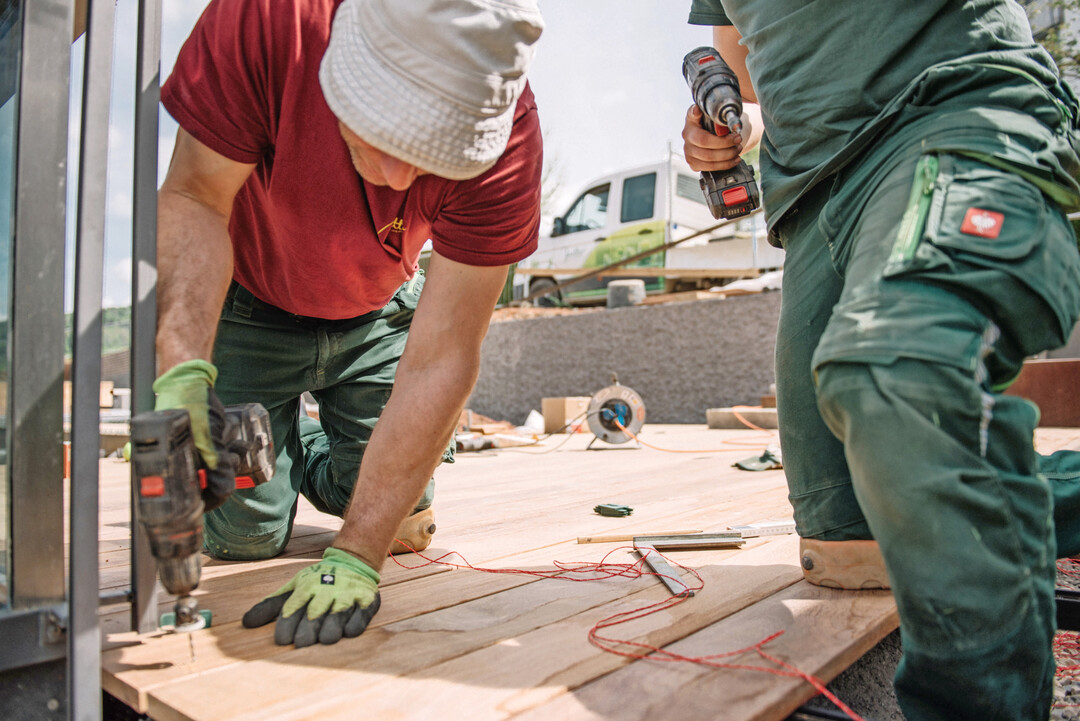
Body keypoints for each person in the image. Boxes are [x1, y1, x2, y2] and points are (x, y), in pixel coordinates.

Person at [682, 2, 1080, 718]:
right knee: (846, 536)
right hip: (813, 196)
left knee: (895, 374)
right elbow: (739, 68)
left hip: (951, 111)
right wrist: (721, 134)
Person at [151, 0, 544, 648]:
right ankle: (275, 446)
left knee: (405, 530)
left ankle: (294, 446)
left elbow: (444, 355)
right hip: (251, 305)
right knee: (245, 537)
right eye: (384, 135)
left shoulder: (509, 146)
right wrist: (183, 363)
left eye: (431, 156)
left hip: (376, 319)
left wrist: (359, 552)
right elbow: (194, 194)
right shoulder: (270, 22)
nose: (397, 178)